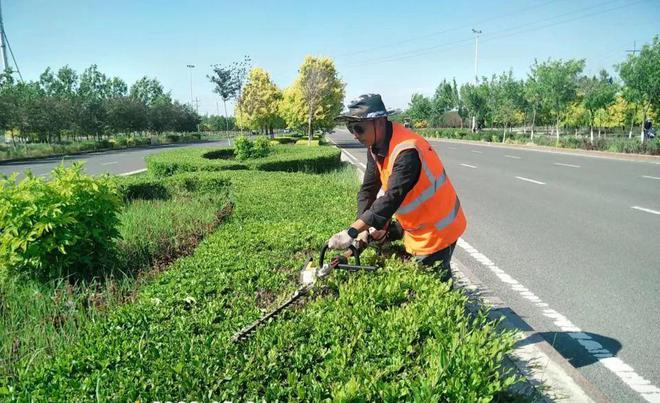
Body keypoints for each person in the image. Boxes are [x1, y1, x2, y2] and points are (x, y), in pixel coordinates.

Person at [327, 94, 467, 278]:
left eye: (358, 128)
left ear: (378, 122)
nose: (354, 134)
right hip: (418, 227)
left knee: (431, 282)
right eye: (350, 127)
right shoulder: (375, 147)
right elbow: (368, 190)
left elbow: (391, 197)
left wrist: (351, 231)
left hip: (438, 231)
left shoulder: (407, 151)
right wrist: (363, 230)